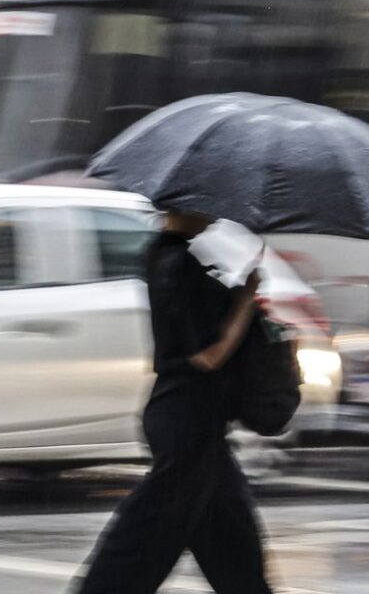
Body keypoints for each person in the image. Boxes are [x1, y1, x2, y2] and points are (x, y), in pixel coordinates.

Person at [74, 209, 274, 594]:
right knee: (142, 535)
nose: (213, 215)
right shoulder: (178, 266)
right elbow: (207, 357)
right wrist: (246, 300)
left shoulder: (162, 255)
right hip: (188, 418)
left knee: (230, 538)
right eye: (205, 205)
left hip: (189, 416)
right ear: (181, 207)